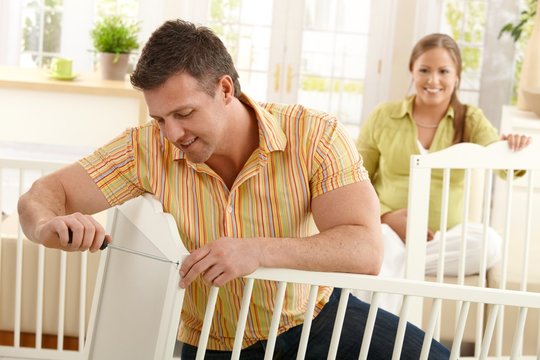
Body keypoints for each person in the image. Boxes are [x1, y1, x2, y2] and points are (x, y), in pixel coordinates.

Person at [18, 20, 449, 359]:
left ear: (225, 89)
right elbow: (42, 193)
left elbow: (365, 250)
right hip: (214, 345)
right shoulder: (145, 149)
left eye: (184, 113)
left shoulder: (315, 135)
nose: (172, 133)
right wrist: (47, 225)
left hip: (315, 320)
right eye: (160, 119)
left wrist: (256, 251)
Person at [355, 33, 531, 312]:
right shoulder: (383, 116)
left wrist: (513, 149)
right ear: (412, 71)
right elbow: (355, 179)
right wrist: (386, 217)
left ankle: (396, 264)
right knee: (380, 242)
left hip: (444, 241)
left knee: (489, 243)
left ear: (457, 76)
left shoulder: (470, 118)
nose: (433, 80)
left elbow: (503, 164)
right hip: (388, 230)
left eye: (443, 71)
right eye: (424, 70)